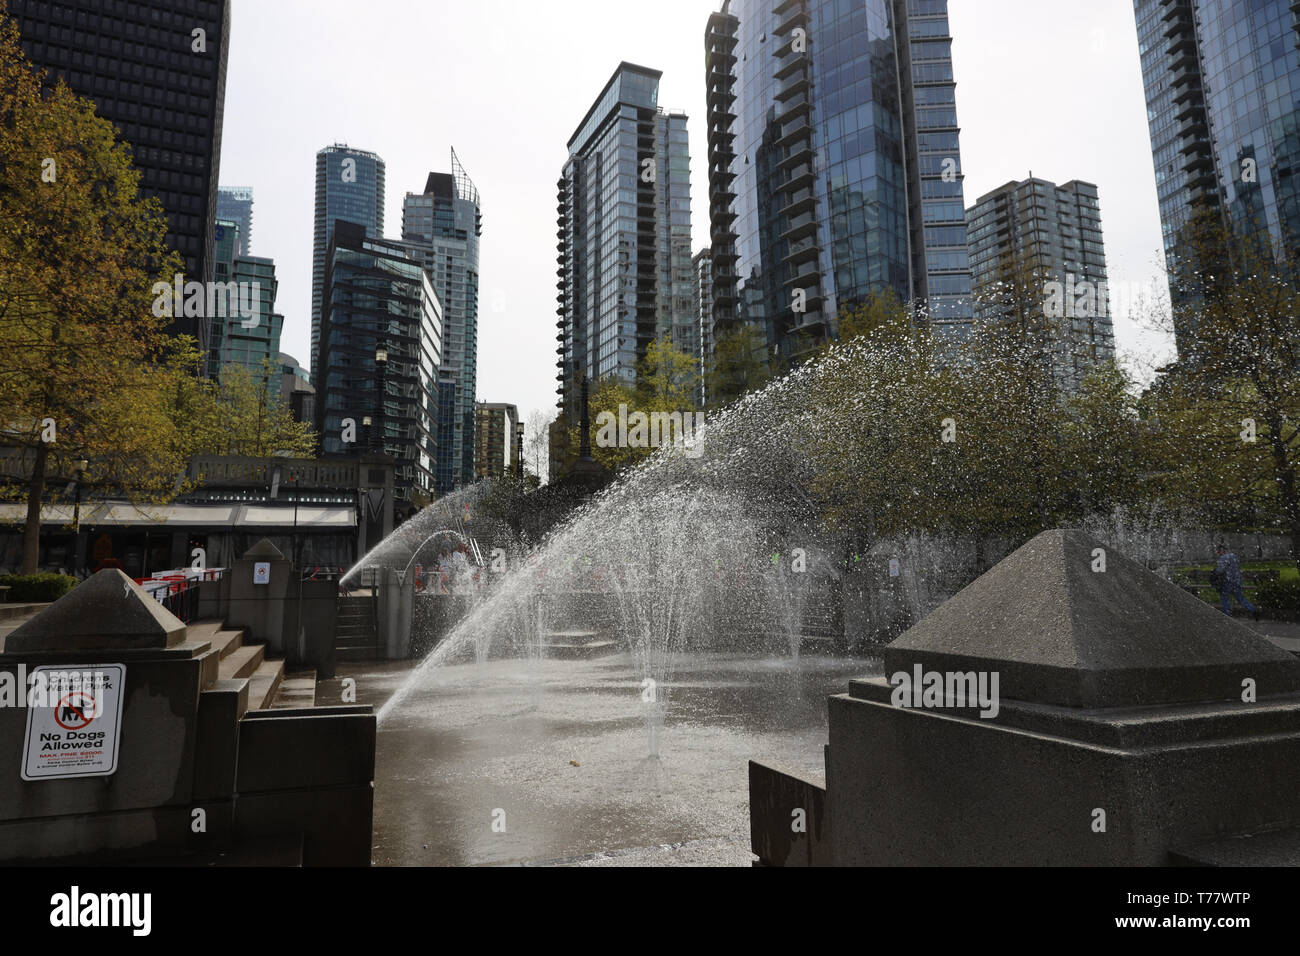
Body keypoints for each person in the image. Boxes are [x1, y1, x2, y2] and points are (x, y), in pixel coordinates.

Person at [1212, 543, 1259, 620]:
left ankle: (1227, 616)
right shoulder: (1234, 556)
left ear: (1221, 551)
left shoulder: (1223, 558)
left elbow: (1220, 571)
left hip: (1227, 581)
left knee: (1225, 598)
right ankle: (1253, 609)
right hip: (1237, 581)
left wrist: (1214, 572)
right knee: (1240, 598)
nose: (1218, 554)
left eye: (1218, 552)